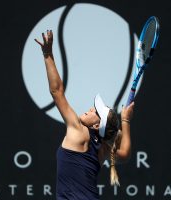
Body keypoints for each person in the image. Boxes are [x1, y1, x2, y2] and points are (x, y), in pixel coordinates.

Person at [35, 30, 135, 200]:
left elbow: (56, 91)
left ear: (97, 126)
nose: (90, 109)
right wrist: (125, 120)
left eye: (95, 112)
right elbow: (124, 153)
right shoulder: (104, 148)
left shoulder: (79, 130)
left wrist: (47, 54)